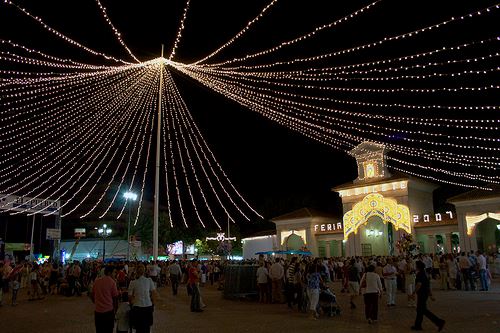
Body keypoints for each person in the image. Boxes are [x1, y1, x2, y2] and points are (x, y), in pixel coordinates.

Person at [410, 261, 445, 331]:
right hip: (424, 293)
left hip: (422, 294)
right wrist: (430, 294)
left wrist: (413, 292)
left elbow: (419, 284)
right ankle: (418, 325)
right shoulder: (425, 273)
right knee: (420, 310)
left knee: (423, 310)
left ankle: (439, 322)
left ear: (418, 267)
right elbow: (427, 285)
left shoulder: (420, 274)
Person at [128, 264, 158, 333]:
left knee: (138, 328)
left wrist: (132, 304)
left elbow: (130, 296)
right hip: (148, 306)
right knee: (147, 327)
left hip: (137, 307)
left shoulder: (132, 282)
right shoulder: (149, 280)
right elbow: (154, 294)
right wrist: (153, 304)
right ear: (144, 271)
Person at [91, 265, 119, 333]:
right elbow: (115, 298)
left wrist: (97, 302)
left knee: (99, 330)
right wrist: (115, 310)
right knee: (108, 330)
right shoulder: (112, 282)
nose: (115, 274)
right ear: (109, 273)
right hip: (108, 311)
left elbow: (92, 295)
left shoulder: (97, 281)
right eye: (114, 272)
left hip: (98, 311)